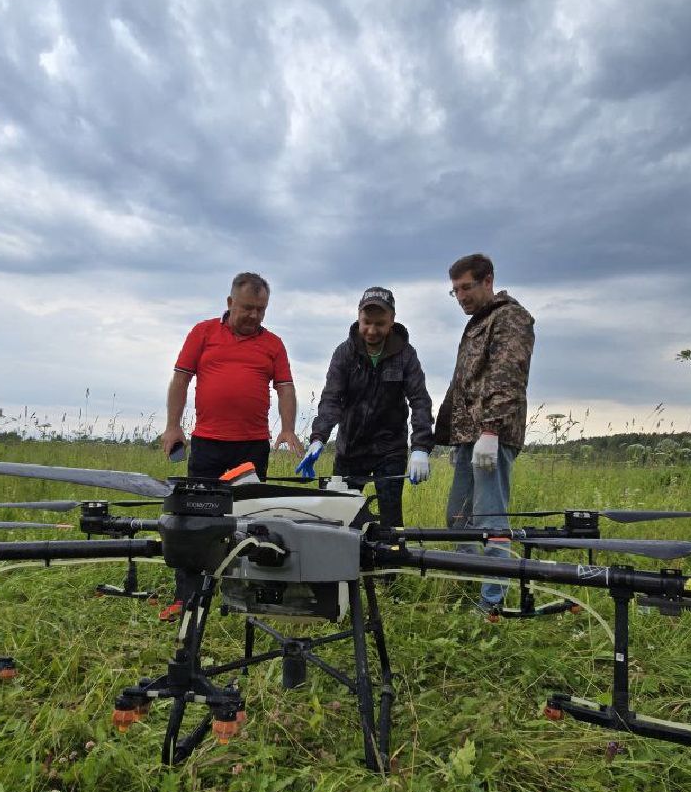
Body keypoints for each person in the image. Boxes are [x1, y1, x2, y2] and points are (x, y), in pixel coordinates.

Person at [159, 271, 303, 616]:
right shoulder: (203, 333)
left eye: (261, 309)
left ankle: (248, 593)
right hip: (208, 444)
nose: (254, 315)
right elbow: (180, 379)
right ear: (230, 303)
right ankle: (188, 596)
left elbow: (284, 387)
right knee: (195, 520)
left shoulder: (273, 344)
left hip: (252, 447)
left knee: (252, 520)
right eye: (247, 308)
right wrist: (173, 426)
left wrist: (287, 428)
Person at [435, 253, 535, 613]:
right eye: (455, 291)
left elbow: (507, 375)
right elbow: (464, 382)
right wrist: (449, 433)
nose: (461, 296)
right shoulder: (479, 322)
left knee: (491, 521)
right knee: (458, 519)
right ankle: (469, 586)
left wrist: (490, 430)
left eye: (466, 287)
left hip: (491, 436)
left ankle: (491, 603)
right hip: (467, 438)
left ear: (487, 281)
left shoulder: (510, 317)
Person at [295, 287, 433, 530]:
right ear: (358, 317)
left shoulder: (406, 355)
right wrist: (318, 438)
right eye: (366, 322)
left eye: (379, 323)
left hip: (390, 450)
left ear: (391, 321)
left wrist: (420, 447)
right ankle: (345, 567)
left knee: (390, 521)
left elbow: (420, 401)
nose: (371, 330)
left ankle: (389, 567)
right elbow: (331, 399)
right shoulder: (344, 353)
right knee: (342, 519)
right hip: (351, 449)